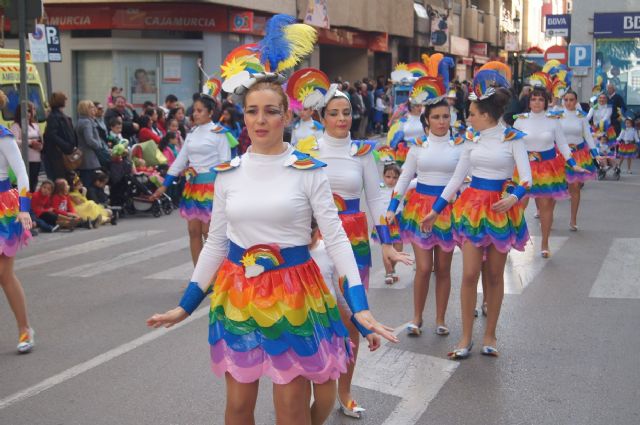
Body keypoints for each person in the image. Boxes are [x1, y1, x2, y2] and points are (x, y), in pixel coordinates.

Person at [147, 18, 398, 423]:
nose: (260, 120)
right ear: (242, 116)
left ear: (286, 115)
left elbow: (336, 240)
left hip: (295, 293)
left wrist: (360, 306)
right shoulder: (229, 173)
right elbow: (215, 243)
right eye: (252, 111)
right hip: (239, 293)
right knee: (238, 406)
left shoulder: (308, 170)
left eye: (270, 111)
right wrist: (185, 305)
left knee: (291, 409)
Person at [297, 70, 411, 418]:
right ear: (321, 116)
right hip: (313, 237)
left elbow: (376, 200)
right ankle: (304, 393)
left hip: (353, 236)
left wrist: (387, 244)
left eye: (346, 112)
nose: (342, 119)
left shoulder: (363, 151)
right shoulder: (304, 148)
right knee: (311, 316)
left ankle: (344, 392)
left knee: (351, 317)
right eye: (334, 113)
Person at [421, 67, 532, 359]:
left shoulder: (513, 138)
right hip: (472, 210)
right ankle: (466, 337)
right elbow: (457, 178)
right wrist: (435, 211)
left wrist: (513, 198)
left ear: (486, 114)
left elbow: (527, 180)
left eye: (471, 112)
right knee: (469, 273)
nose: (467, 117)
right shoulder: (472, 137)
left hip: (499, 211)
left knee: (494, 275)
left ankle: (490, 334)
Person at [387, 84, 463, 337]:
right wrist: (392, 207)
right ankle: (417, 317)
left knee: (443, 268)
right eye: (436, 117)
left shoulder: (460, 146)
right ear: (427, 120)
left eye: (445, 116)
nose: (442, 121)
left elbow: (467, 179)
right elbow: (405, 177)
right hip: (420, 210)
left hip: (448, 211)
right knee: (422, 268)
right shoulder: (418, 147)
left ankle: (440, 319)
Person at [308, 217, 380, 424]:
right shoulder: (286, 254)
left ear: (318, 230)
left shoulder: (328, 251)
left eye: (310, 234)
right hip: (298, 336)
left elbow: (342, 296)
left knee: (325, 400)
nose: (305, 240)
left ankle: (344, 393)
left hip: (326, 337)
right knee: (298, 401)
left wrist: (366, 330)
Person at [152, 94, 231, 266]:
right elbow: (180, 161)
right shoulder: (192, 133)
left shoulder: (219, 134)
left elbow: (226, 164)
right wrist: (164, 186)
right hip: (193, 188)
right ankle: (198, 278)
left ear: (210, 112)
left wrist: (223, 190)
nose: (195, 114)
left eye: (199, 110)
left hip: (212, 188)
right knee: (193, 231)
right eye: (194, 110)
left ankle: (217, 277)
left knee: (208, 233)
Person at [514, 85, 585, 258]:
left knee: (546, 207)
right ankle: (514, 239)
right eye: (533, 99)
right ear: (528, 101)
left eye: (540, 99)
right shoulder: (520, 120)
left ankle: (544, 243)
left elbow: (562, 144)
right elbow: (512, 147)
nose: (536, 102)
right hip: (525, 167)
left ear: (546, 102)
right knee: (517, 206)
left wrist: (573, 163)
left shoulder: (553, 120)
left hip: (547, 169)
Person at [0, 90, 34, 353]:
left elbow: (22, 171)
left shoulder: (4, 136)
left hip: (2, 207)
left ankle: (25, 329)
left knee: (3, 273)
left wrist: (24, 208)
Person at [559, 90, 602, 231]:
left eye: (571, 99)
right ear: (563, 101)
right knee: (554, 187)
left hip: (577, 155)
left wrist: (595, 154)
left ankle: (573, 219)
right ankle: (546, 214)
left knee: (575, 187)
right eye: (566, 99)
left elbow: (588, 137)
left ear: (576, 101)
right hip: (560, 156)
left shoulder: (581, 116)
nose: (568, 102)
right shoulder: (556, 116)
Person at [42, 92, 77, 181]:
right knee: (59, 179)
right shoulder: (55, 117)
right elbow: (51, 134)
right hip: (57, 154)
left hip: (62, 152)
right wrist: (66, 145)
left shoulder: (60, 116)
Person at [11, 102, 42, 192]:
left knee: (33, 183)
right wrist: (30, 142)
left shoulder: (35, 126)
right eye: (25, 111)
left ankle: (31, 203)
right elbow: (14, 142)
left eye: (29, 111)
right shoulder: (16, 126)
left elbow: (41, 139)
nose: (28, 113)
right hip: (24, 159)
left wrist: (40, 145)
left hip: (36, 159)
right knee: (24, 184)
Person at [75, 100, 105, 188]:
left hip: (86, 155)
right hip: (88, 157)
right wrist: (99, 145)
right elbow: (89, 140)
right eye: (91, 107)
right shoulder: (86, 122)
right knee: (89, 181)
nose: (94, 109)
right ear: (86, 109)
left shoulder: (83, 120)